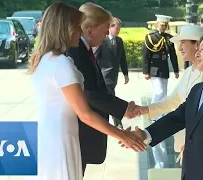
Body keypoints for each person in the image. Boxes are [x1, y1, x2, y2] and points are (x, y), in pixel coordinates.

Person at [27, 2, 145, 180]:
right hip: (63, 139)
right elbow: (85, 114)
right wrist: (123, 135)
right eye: (77, 27)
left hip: (51, 136)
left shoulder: (43, 58)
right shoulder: (61, 63)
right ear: (65, 29)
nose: (80, 31)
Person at [125, 33, 203, 180]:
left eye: (202, 49)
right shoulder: (198, 89)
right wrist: (145, 134)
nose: (197, 54)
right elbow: (177, 118)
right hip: (192, 171)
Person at [66, 2, 143, 175]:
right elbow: (90, 95)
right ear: (90, 30)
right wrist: (124, 109)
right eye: (105, 28)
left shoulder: (84, 51)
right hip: (77, 133)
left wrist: (123, 109)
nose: (108, 33)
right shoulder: (75, 52)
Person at [136, 25, 203, 164]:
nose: (180, 48)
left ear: (198, 45)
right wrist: (146, 109)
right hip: (185, 140)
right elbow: (173, 100)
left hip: (200, 144)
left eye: (183, 43)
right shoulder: (189, 72)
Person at [142, 14, 179, 120]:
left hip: (164, 68)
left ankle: (160, 113)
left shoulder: (169, 38)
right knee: (159, 91)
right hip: (154, 67)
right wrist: (145, 71)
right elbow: (145, 54)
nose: (164, 27)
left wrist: (176, 70)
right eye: (162, 25)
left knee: (164, 93)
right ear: (157, 24)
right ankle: (151, 112)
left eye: (165, 25)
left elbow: (173, 55)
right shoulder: (150, 37)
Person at [95, 17, 129, 129]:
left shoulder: (119, 41)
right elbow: (95, 57)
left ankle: (102, 120)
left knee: (106, 98)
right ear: (110, 27)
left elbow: (122, 58)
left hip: (114, 76)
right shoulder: (102, 41)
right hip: (104, 75)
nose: (118, 31)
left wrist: (125, 74)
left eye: (119, 29)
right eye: (116, 28)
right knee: (111, 97)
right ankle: (117, 123)